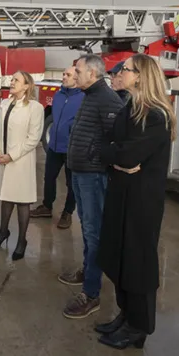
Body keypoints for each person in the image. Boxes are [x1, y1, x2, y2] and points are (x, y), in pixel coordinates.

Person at [94, 54, 176, 350]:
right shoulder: (130, 107)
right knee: (118, 257)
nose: (120, 72)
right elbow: (106, 144)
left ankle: (139, 326)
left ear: (140, 76)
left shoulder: (156, 115)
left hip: (141, 201)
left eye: (125, 69)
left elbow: (127, 155)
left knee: (137, 262)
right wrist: (116, 157)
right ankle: (126, 315)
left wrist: (117, 155)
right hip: (121, 192)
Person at [60, 54, 124, 319]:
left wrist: (94, 157)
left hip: (93, 176)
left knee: (93, 231)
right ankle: (88, 271)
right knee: (87, 229)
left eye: (78, 70)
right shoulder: (89, 96)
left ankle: (91, 293)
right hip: (80, 172)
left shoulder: (108, 99)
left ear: (93, 73)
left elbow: (117, 139)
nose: (74, 74)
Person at [0, 71, 45, 261]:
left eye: (16, 80)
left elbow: (33, 139)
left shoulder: (35, 108)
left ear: (26, 86)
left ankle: (22, 241)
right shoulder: (5, 103)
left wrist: (11, 156)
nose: (11, 82)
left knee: (22, 201)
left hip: (20, 161)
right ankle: (3, 232)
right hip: (2, 159)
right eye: (11, 79)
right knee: (6, 197)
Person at [30, 66, 83, 229]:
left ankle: (67, 213)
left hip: (71, 149)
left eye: (68, 75)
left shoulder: (84, 97)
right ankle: (47, 206)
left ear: (77, 78)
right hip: (54, 146)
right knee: (49, 178)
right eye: (64, 74)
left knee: (71, 183)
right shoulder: (58, 95)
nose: (64, 77)